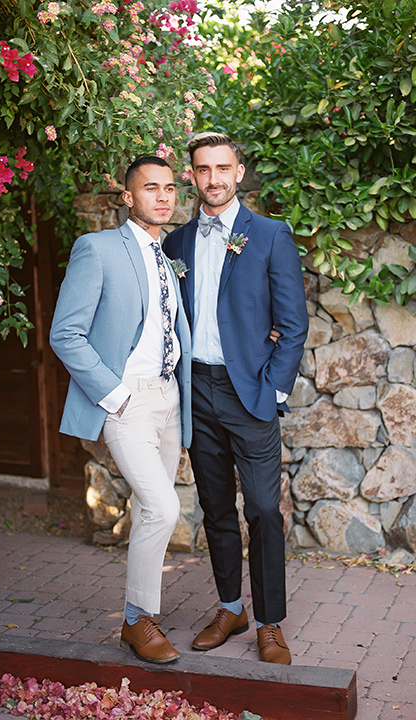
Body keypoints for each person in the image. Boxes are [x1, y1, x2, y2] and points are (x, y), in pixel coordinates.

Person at [164, 132, 309, 665]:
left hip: (250, 393)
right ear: (193, 176)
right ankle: (231, 607)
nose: (214, 179)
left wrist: (272, 390)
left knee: (265, 510)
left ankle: (269, 623)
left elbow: (293, 326)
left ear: (239, 172)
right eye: (203, 169)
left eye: (223, 168)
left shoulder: (269, 235)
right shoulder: (176, 243)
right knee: (216, 507)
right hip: (197, 390)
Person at [50, 156, 192, 665]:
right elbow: (65, 332)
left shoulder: (167, 254)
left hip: (169, 398)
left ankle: (141, 615)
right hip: (125, 398)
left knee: (152, 506)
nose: (163, 196)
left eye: (170, 188)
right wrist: (114, 395)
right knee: (161, 507)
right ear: (128, 198)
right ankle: (136, 622)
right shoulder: (98, 248)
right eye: (150, 188)